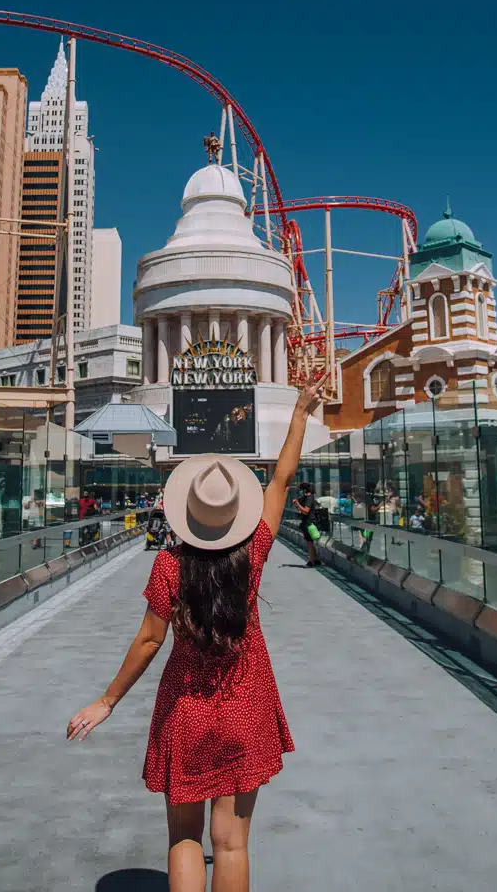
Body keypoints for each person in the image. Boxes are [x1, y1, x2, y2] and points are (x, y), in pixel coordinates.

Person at [66, 373, 328, 892]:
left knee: (184, 839)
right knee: (231, 844)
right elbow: (280, 480)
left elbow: (148, 640)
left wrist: (107, 701)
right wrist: (300, 412)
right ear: (236, 515)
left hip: (186, 712)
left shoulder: (168, 566)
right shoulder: (252, 555)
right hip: (245, 707)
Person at [293, 480, 322, 567]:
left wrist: (297, 504)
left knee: (309, 543)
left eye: (301, 490)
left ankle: (311, 562)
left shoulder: (309, 498)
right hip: (308, 522)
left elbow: (306, 511)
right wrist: (298, 505)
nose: (301, 492)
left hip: (309, 523)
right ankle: (315, 560)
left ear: (304, 490)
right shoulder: (307, 497)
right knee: (310, 542)